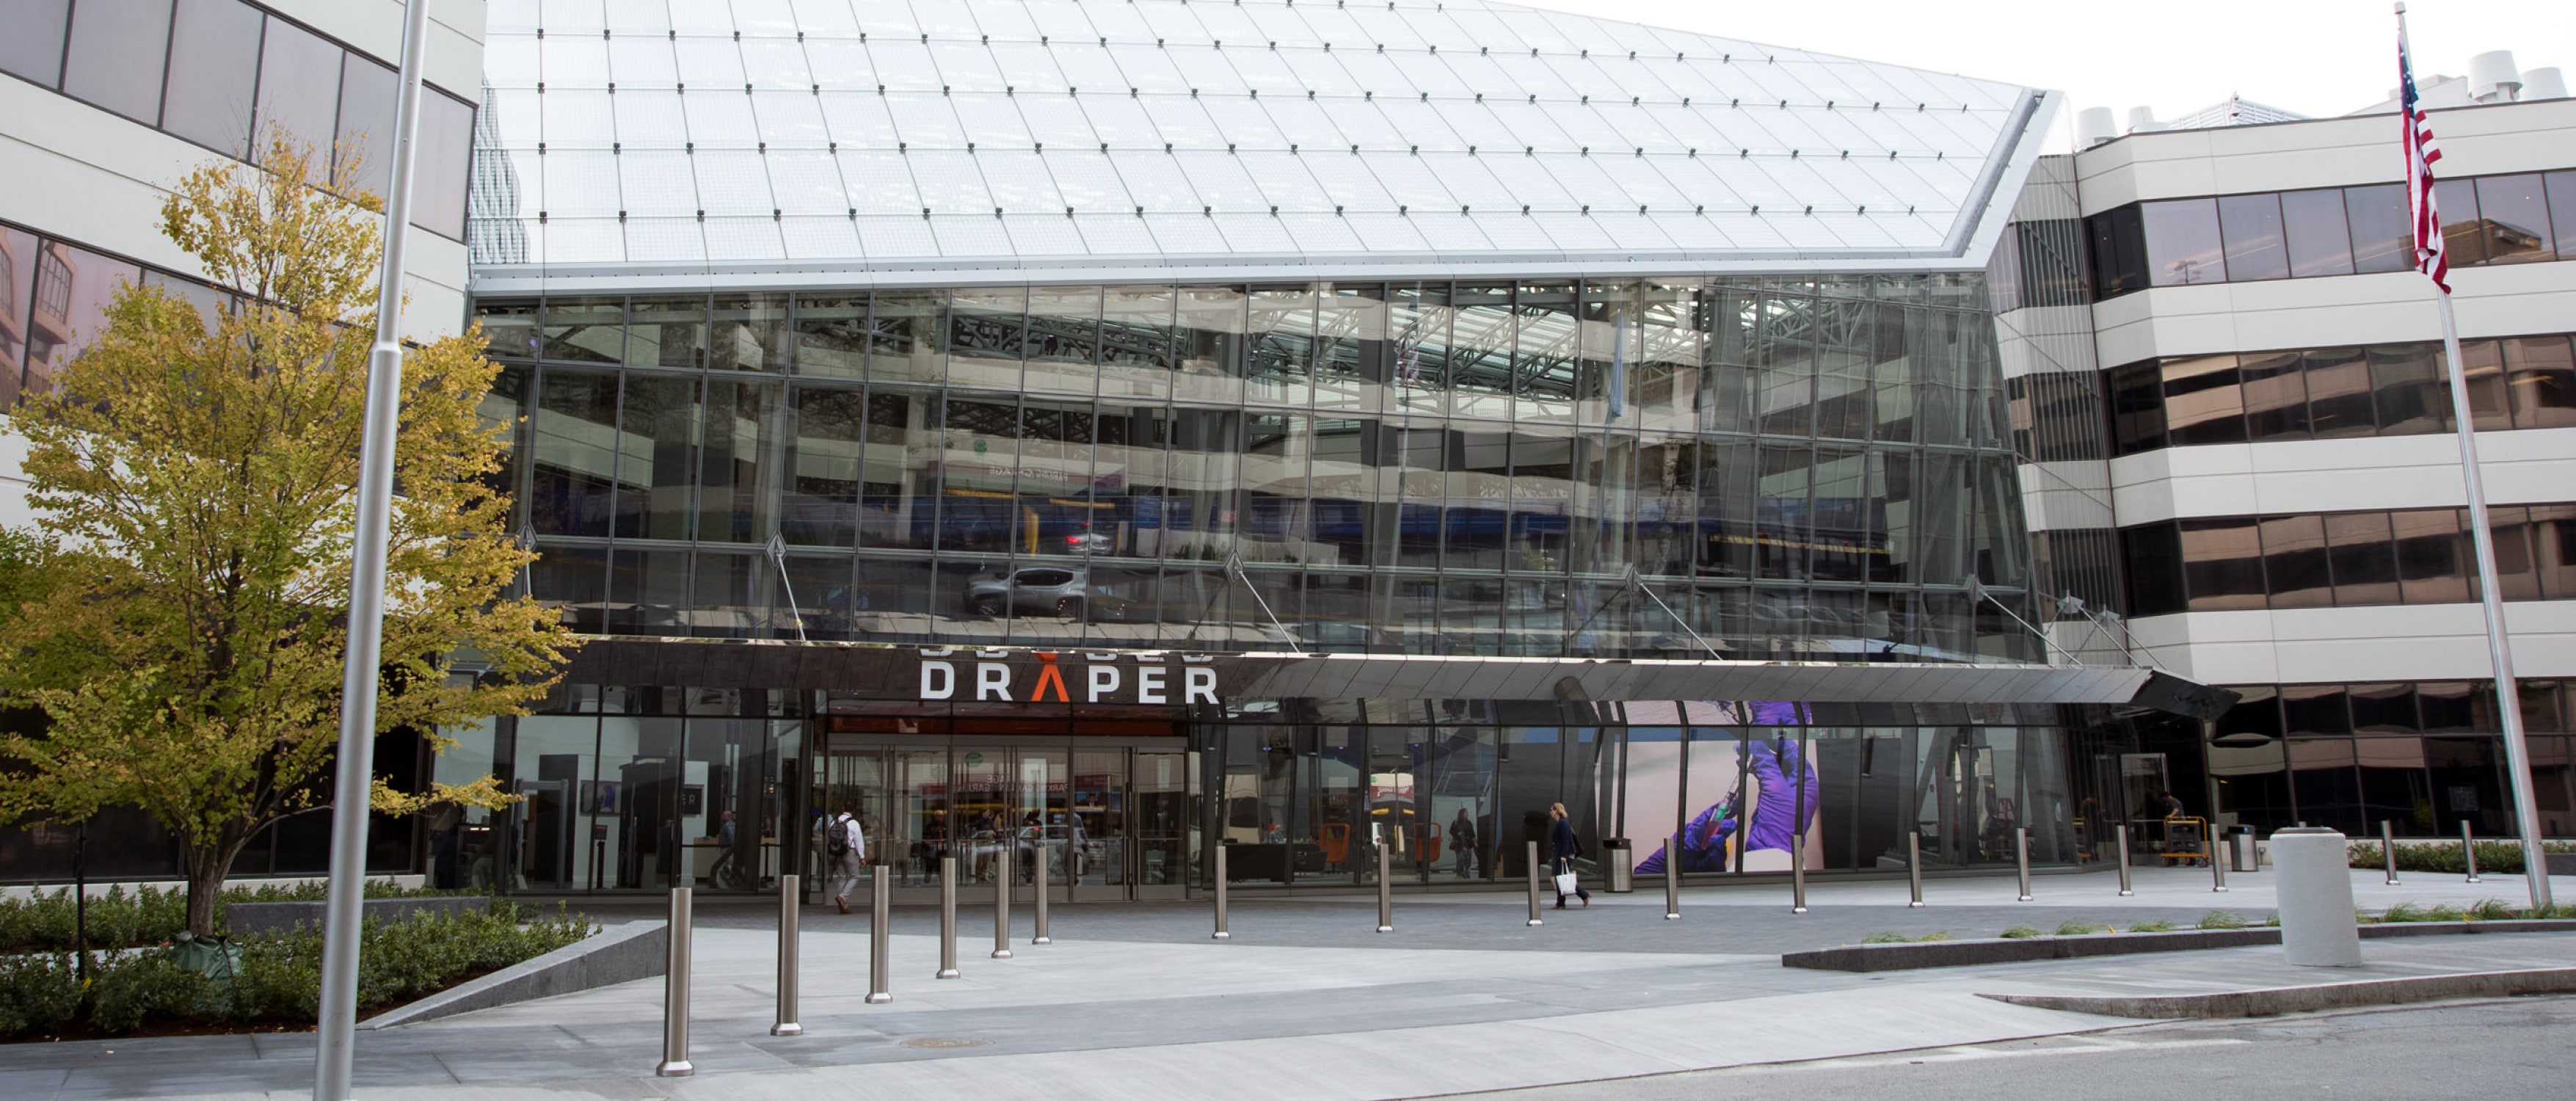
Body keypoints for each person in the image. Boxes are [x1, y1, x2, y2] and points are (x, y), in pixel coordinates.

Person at [1547, 802, 1590, 909]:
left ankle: (1580, 896)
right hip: (1562, 854)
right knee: (1561, 878)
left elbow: (1566, 840)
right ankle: (1562, 902)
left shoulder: (1563, 823)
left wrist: (1563, 856)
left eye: (1552, 810)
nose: (1551, 812)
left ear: (1557, 811)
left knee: (1561, 878)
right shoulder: (1561, 823)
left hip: (1564, 855)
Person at [828, 803, 867, 914]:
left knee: (842, 878)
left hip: (838, 852)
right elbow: (859, 841)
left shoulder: (834, 822)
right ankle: (843, 897)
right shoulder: (854, 823)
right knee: (855, 876)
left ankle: (843, 906)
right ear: (853, 811)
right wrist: (862, 857)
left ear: (843, 808)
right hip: (850, 852)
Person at [1449, 807, 1479, 880]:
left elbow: (1472, 833)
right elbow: (1451, 831)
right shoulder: (1456, 822)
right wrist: (1457, 834)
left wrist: (1475, 842)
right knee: (1460, 860)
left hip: (1468, 845)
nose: (1467, 814)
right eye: (1466, 812)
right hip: (1460, 845)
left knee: (1468, 860)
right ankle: (1460, 874)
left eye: (1467, 813)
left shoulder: (1469, 823)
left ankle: (1467, 875)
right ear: (1462, 814)